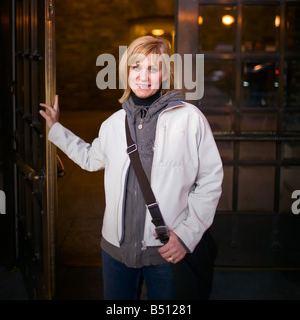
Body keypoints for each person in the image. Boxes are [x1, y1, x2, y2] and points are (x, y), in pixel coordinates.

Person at [40, 35, 223, 300]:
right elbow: (92, 159)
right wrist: (57, 130)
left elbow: (210, 180)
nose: (143, 76)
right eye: (136, 66)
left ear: (164, 73)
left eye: (152, 68)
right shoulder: (113, 123)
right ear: (126, 72)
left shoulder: (190, 119)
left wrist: (185, 237)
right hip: (116, 253)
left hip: (166, 251)